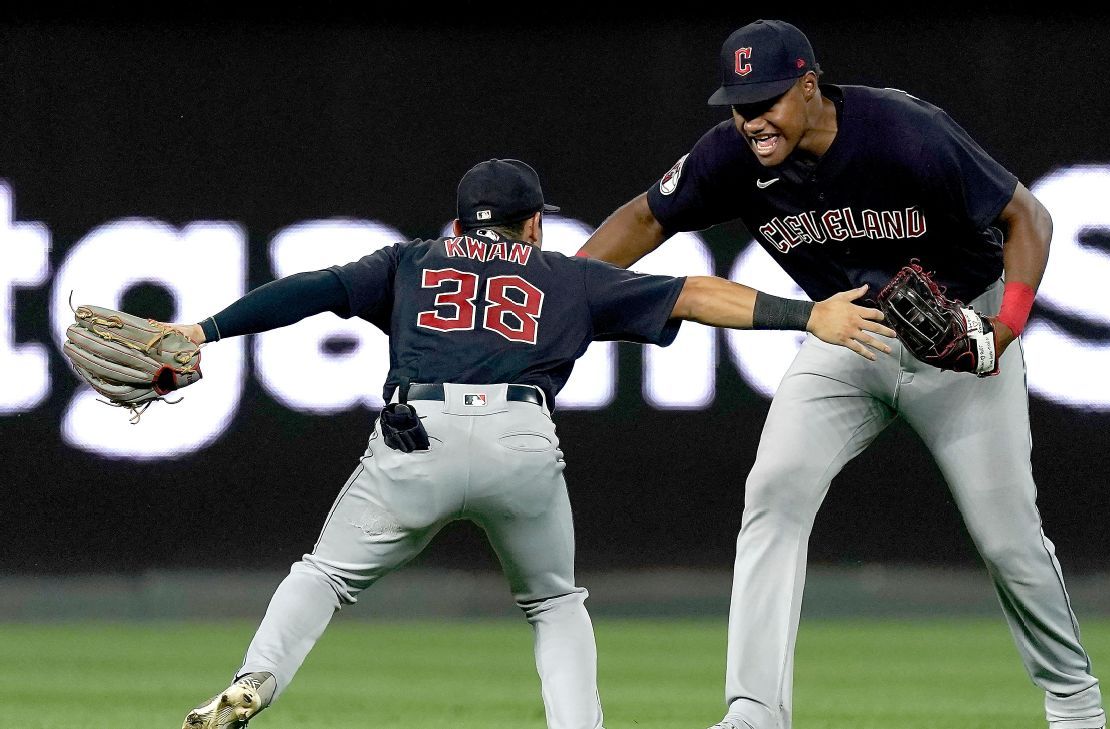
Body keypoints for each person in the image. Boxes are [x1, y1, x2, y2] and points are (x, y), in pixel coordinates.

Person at [176, 157, 895, 729]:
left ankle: (255, 677)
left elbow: (309, 289)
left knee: (325, 575)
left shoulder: (411, 260)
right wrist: (807, 314)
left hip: (415, 435)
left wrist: (201, 330)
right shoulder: (565, 275)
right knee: (554, 602)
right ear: (534, 225)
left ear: (460, 225)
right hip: (519, 439)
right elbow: (693, 292)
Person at [577, 19, 1106, 729]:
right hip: (846, 333)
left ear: (807, 85)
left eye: (765, 99)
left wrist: (1003, 330)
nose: (750, 118)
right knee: (774, 489)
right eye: (738, 102)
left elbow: (1028, 217)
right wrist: (562, 287)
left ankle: (1075, 703)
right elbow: (647, 217)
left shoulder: (902, 131)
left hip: (956, 335)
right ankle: (755, 710)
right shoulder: (732, 155)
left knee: (1007, 535)